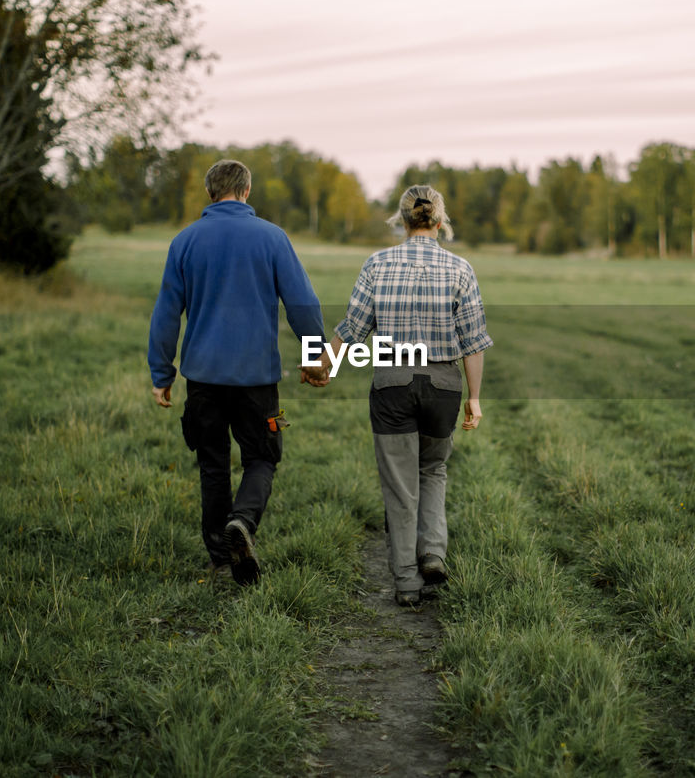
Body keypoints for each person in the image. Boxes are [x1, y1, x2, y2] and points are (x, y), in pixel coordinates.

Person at [148, 159, 330, 586]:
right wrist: (315, 355)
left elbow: (166, 314)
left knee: (212, 464)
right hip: (256, 380)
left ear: (211, 192)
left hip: (202, 378)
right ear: (246, 191)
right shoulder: (272, 237)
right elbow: (302, 304)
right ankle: (243, 523)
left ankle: (220, 558)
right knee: (263, 456)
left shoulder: (185, 241)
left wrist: (162, 373)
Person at [322, 184, 493, 606]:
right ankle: (432, 554)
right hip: (443, 385)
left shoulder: (377, 263)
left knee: (400, 487)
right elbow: (473, 342)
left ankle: (406, 583)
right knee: (433, 471)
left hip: (392, 383)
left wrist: (322, 363)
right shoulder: (460, 269)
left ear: (401, 220)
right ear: (439, 220)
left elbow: (352, 327)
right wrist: (474, 398)